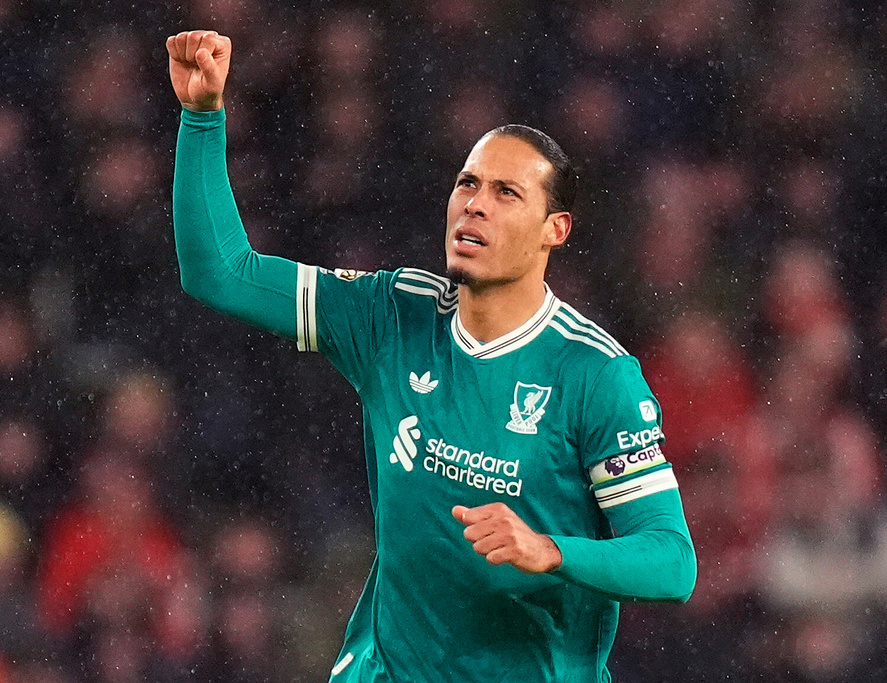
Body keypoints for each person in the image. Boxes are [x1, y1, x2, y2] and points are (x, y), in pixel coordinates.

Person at [166, 30, 697, 683]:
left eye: (506, 193)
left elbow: (671, 562)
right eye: (468, 183)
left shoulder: (594, 375)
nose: (475, 203)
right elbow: (221, 271)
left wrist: (549, 550)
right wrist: (202, 116)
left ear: (554, 230)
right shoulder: (395, 314)